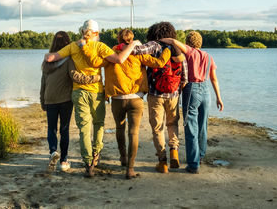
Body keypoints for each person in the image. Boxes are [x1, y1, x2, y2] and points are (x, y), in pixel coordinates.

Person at [44, 20, 140, 177]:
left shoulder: (73, 46)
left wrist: (48, 55)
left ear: (82, 31)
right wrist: (133, 43)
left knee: (83, 130)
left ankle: (88, 164)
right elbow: (119, 59)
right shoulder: (100, 47)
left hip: (78, 92)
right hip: (96, 92)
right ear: (96, 33)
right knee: (98, 125)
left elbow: (50, 58)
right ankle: (96, 155)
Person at [81, 29, 171, 179]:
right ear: (132, 39)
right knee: (133, 132)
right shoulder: (139, 53)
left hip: (117, 99)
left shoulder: (111, 54)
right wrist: (167, 49)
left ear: (118, 39)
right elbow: (160, 63)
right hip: (136, 99)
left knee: (119, 128)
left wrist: (85, 46)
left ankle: (123, 158)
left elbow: (95, 61)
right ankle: (130, 168)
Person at [160, 31, 224, 174]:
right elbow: (214, 78)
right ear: (200, 42)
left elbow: (174, 42)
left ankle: (193, 164)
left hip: (192, 89)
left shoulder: (189, 51)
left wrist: (160, 39)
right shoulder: (208, 56)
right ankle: (199, 156)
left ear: (188, 42)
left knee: (191, 127)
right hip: (206, 90)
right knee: (203, 126)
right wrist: (218, 98)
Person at [40, 31, 101, 172]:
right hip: (66, 100)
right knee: (64, 129)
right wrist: (95, 78)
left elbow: (43, 83)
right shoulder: (69, 60)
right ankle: (64, 160)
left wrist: (42, 100)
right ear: (67, 44)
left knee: (51, 128)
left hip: (50, 98)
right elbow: (75, 77)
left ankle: (53, 152)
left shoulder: (47, 60)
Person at [132, 22, 188, 173]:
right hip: (174, 94)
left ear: (153, 33)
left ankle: (162, 161)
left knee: (157, 128)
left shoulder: (153, 45)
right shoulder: (177, 49)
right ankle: (174, 151)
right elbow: (185, 76)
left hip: (155, 93)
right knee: (172, 124)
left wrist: (134, 42)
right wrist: (177, 90)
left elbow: (136, 51)